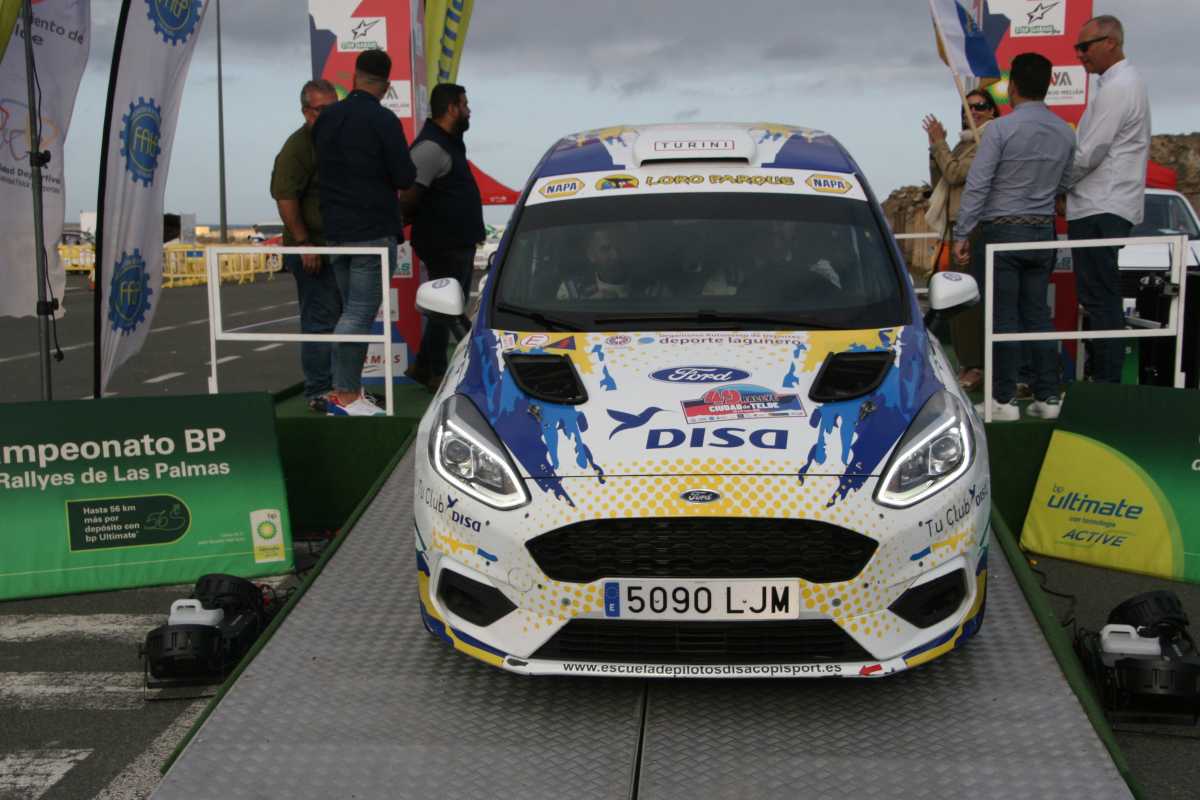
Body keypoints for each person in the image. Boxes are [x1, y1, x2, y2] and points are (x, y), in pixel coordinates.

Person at [953, 52, 1075, 421]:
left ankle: (1003, 401)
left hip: (1001, 232)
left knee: (1002, 317)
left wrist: (963, 232)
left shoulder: (1000, 130)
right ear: (1048, 85)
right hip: (1042, 231)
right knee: (1038, 315)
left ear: (1013, 88)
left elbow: (978, 184)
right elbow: (1065, 183)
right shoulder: (1064, 132)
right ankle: (1048, 397)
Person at [313, 49, 416, 416]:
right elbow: (405, 176)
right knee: (357, 313)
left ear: (354, 78)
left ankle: (350, 390)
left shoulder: (327, 118)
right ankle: (345, 394)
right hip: (371, 231)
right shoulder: (384, 120)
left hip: (335, 231)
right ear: (386, 87)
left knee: (349, 312)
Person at [1065, 15, 1151, 384]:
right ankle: (1102, 375)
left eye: (1084, 47)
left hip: (1101, 204)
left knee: (1100, 297)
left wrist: (1055, 187)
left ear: (1110, 43)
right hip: (1101, 203)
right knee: (1098, 296)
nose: (1079, 54)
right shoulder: (1118, 85)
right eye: (1077, 47)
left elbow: (1089, 153)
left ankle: (1107, 381)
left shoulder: (1119, 87)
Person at [402, 83, 485, 392]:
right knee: (445, 309)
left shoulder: (449, 143)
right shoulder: (431, 148)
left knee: (445, 308)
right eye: (464, 104)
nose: (468, 110)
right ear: (451, 109)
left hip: (454, 241)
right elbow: (408, 196)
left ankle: (424, 366)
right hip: (443, 243)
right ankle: (435, 371)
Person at [922, 89, 1000, 393]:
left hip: (974, 227)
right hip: (957, 227)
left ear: (993, 110)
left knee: (967, 298)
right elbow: (941, 180)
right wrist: (936, 150)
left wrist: (939, 143)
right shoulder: (965, 143)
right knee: (956, 298)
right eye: (967, 108)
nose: (973, 112)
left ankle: (975, 365)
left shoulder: (988, 140)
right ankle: (968, 363)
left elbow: (955, 173)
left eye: (980, 106)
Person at [270, 79, 341, 413]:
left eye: (334, 108)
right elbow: (285, 197)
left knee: (342, 320)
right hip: (313, 250)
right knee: (319, 320)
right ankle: (319, 391)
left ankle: (342, 389)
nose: (330, 115)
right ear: (306, 112)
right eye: (322, 109)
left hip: (338, 246)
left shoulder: (336, 141)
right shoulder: (298, 147)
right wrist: (304, 243)